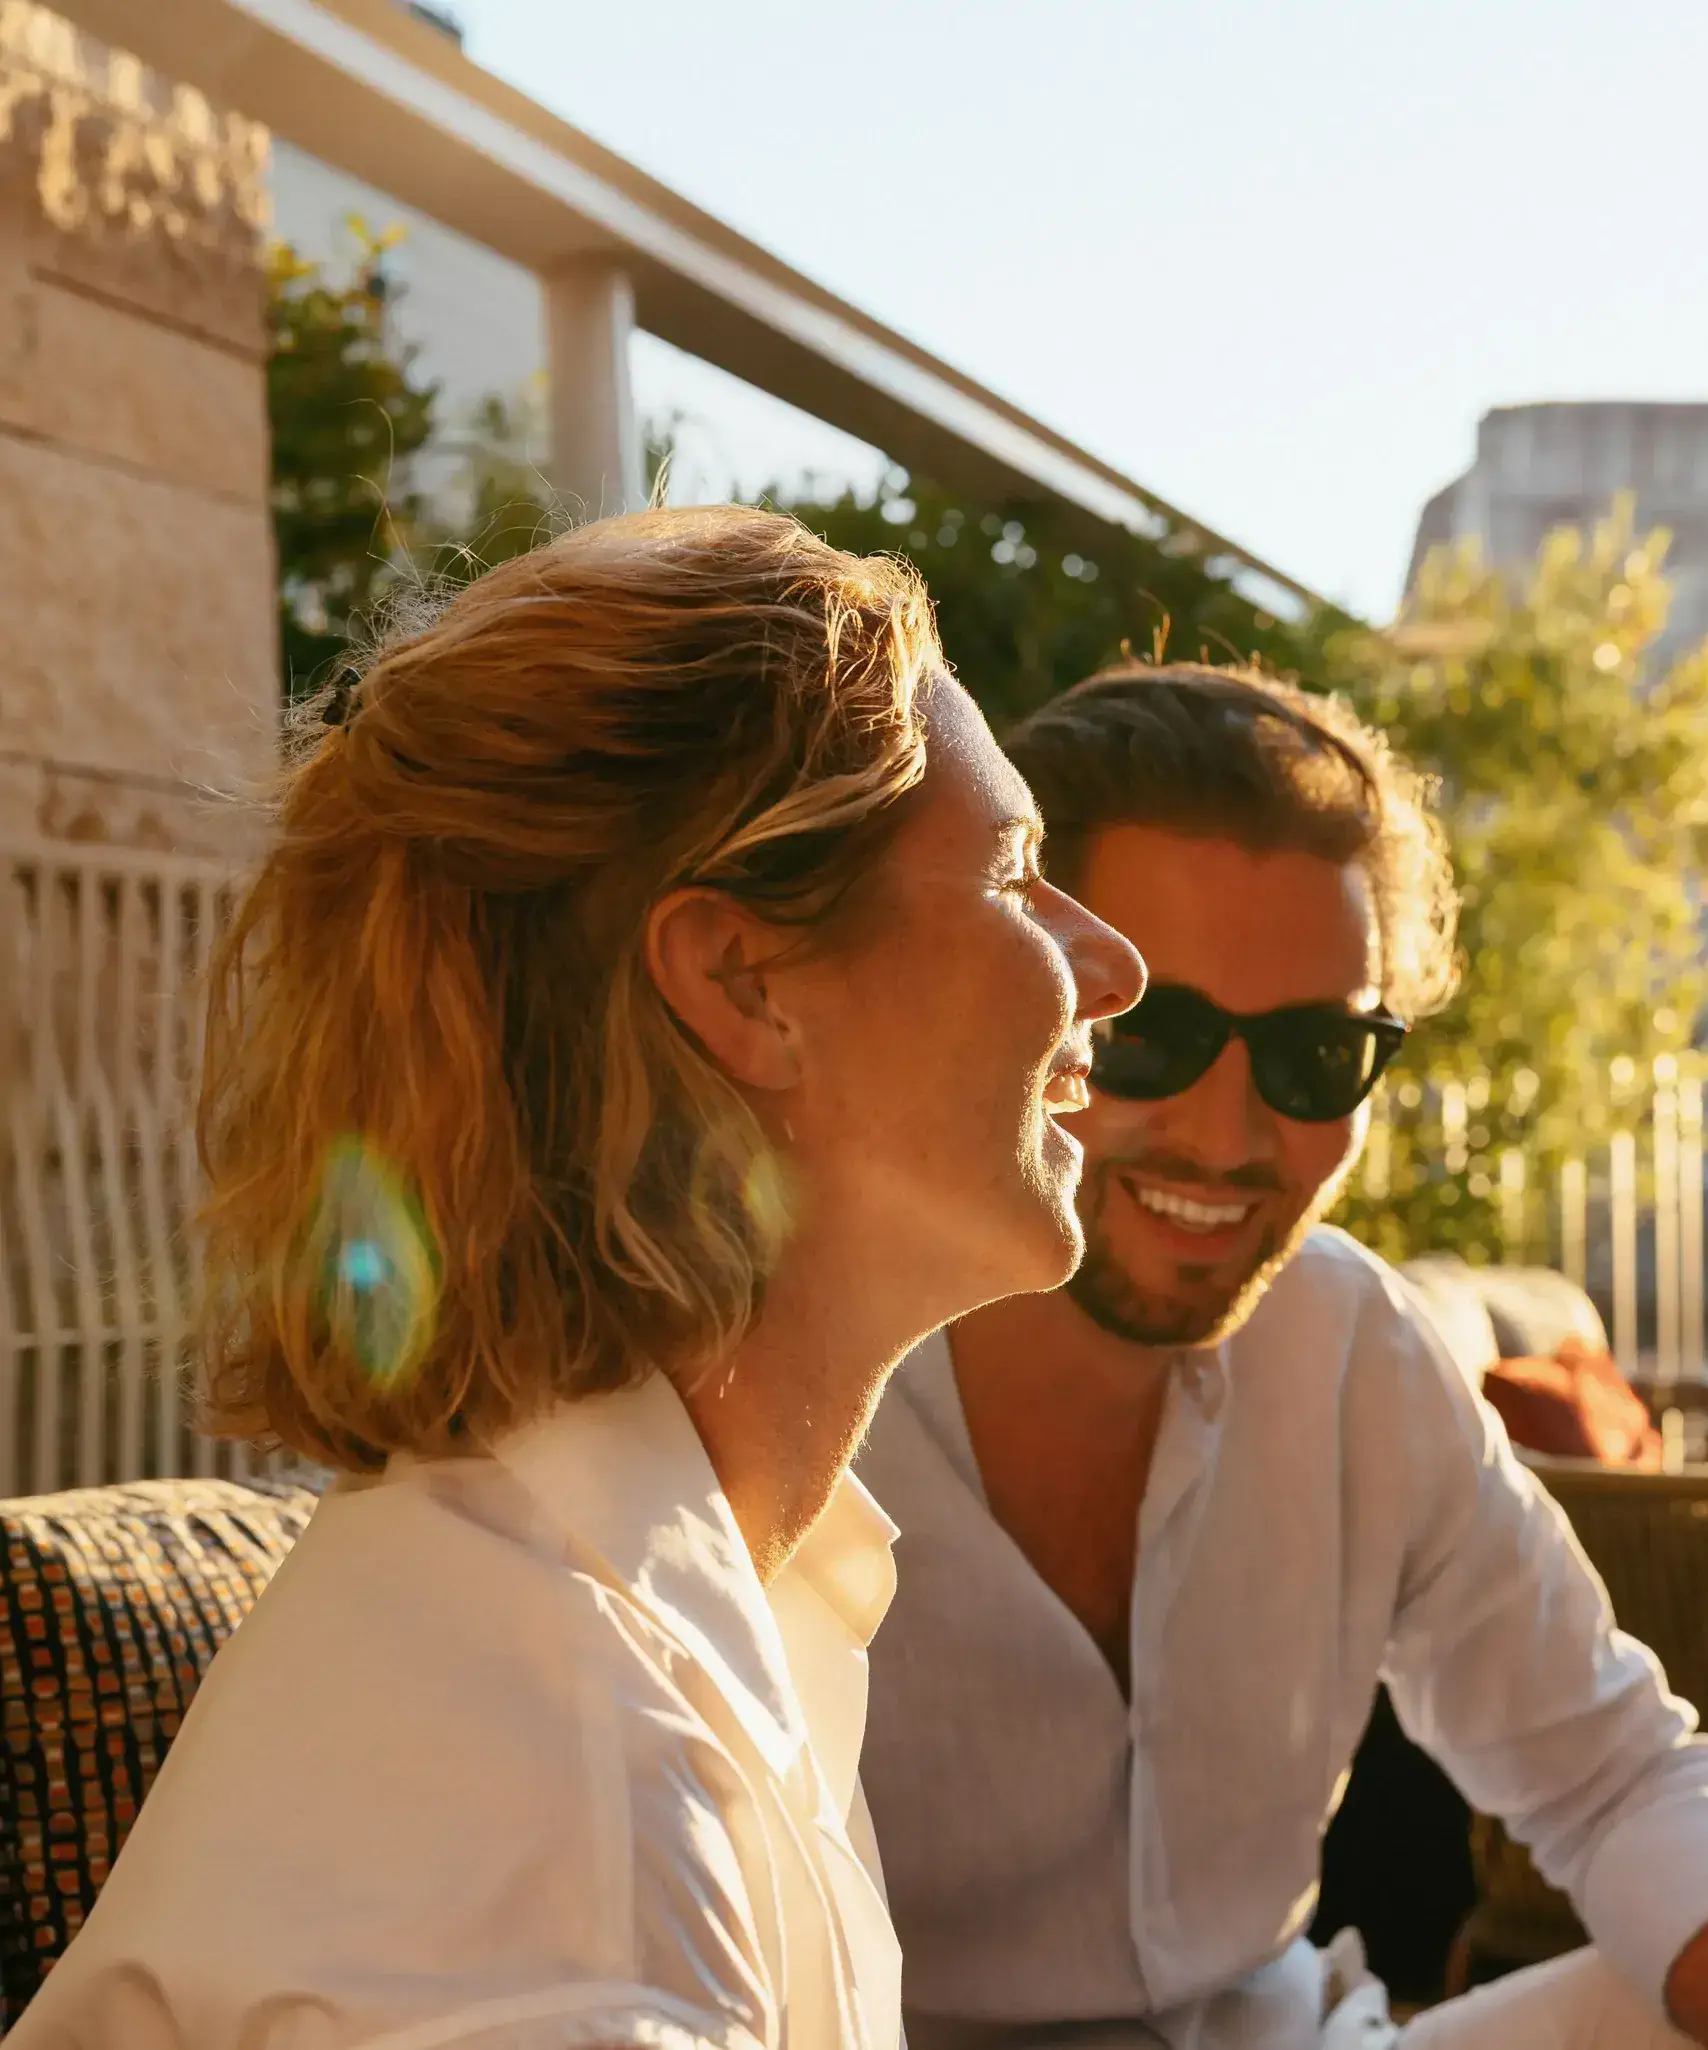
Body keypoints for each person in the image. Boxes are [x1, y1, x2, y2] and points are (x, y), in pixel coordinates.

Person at [855, 663, 1708, 2050]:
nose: (1229, 1135)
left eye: (1314, 1055)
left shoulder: (1346, 1344)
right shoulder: (814, 1390)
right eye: (1151, 1031)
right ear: (1018, 994)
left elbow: (1616, 1778)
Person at [11, 508, 1143, 2047]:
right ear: (743, 981)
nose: (1114, 964)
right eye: (1014, 875)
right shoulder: (557, 1806)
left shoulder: (688, 1616)